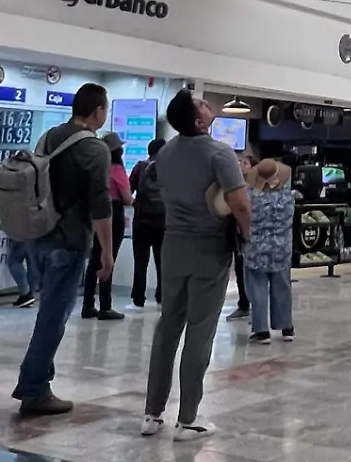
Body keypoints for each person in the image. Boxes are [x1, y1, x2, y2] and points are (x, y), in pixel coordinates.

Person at [140, 91, 250, 441]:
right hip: (209, 247)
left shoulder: (166, 155)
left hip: (172, 245)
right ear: (200, 121)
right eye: (201, 103)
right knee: (200, 330)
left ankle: (152, 413)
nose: (206, 104)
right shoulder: (220, 153)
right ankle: (187, 419)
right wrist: (247, 235)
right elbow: (240, 204)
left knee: (167, 326)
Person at [12, 85, 114, 417]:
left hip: (38, 237)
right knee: (53, 317)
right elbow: (101, 206)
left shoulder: (49, 136)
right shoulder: (96, 149)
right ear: (98, 111)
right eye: (106, 109)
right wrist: (107, 252)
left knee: (47, 312)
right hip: (69, 242)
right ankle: (35, 389)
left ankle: (34, 382)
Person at [244, 158, 296, 344]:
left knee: (257, 288)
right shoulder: (287, 196)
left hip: (256, 247)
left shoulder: (250, 196)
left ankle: (261, 330)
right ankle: (286, 327)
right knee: (282, 287)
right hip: (281, 247)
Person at [82, 132, 133, 320]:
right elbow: (127, 198)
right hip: (114, 214)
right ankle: (105, 306)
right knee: (108, 259)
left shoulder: (96, 168)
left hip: (94, 215)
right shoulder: (118, 170)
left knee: (94, 260)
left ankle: (87, 305)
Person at [128, 138, 167, 308]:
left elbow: (129, 190)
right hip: (162, 222)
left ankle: (138, 296)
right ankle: (161, 295)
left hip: (141, 222)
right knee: (162, 261)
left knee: (140, 261)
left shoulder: (139, 167)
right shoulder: (169, 170)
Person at [225, 148, 257, 322]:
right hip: (238, 233)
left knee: (248, 270)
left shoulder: (254, 188)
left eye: (245, 163)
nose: (241, 166)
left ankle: (251, 305)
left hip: (248, 235)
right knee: (240, 269)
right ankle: (244, 303)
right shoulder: (237, 184)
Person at [6, 235, 41, 308]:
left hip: (22, 232)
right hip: (37, 233)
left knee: (14, 260)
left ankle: (25, 292)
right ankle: (30, 294)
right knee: (32, 261)